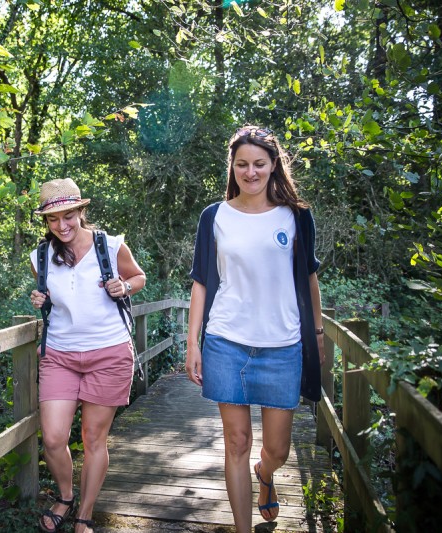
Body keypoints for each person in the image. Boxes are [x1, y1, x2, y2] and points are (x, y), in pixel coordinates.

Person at [185, 126, 325, 532]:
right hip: (226, 342)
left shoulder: (296, 215)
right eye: (242, 164)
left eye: (259, 164)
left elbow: (309, 277)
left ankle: (267, 473)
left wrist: (315, 333)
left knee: (278, 448)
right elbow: (201, 282)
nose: (250, 172)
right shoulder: (214, 217)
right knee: (237, 442)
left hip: (283, 346)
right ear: (232, 166)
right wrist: (193, 342)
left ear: (273, 165)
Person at [29, 178, 146, 533]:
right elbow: (55, 299)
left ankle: (85, 511)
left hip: (109, 354)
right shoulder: (40, 257)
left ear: (81, 211)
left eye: (68, 216)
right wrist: (41, 300)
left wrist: (123, 286)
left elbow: (139, 277)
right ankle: (65, 496)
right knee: (52, 437)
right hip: (60, 355)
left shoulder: (110, 246)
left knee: (94, 438)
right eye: (52, 219)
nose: (61, 226)